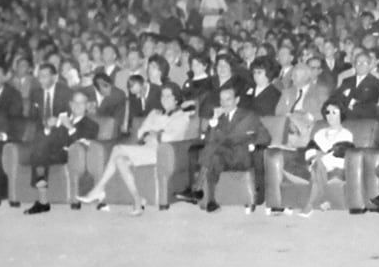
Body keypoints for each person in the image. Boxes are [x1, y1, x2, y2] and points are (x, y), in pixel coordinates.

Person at [79, 83, 195, 213]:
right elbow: (141, 132)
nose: (164, 99)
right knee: (120, 160)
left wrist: (155, 134)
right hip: (146, 148)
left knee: (117, 149)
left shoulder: (181, 116)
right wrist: (152, 133)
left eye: (169, 96)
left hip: (162, 152)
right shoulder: (154, 113)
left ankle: (98, 189)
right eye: (163, 96)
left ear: (176, 99)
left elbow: (173, 137)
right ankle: (137, 200)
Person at [24, 86, 99, 214]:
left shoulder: (91, 124)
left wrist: (69, 127)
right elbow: (51, 139)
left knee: (39, 155)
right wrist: (48, 127)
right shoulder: (63, 120)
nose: (77, 105)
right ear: (70, 104)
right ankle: (42, 200)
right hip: (54, 153)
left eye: (81, 103)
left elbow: (82, 143)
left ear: (87, 106)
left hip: (72, 156)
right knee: (39, 150)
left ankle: (42, 202)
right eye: (75, 102)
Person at [197, 83, 271, 212]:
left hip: (241, 157)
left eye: (228, 99)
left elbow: (266, 137)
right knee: (213, 157)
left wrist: (251, 142)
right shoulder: (219, 118)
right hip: (224, 156)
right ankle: (211, 201)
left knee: (213, 148)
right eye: (221, 100)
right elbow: (208, 140)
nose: (224, 103)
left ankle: (196, 187)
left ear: (237, 100)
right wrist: (214, 120)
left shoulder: (248, 115)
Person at [295, 101, 356, 215]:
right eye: (328, 112)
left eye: (334, 112)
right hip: (317, 163)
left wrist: (321, 155)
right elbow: (310, 151)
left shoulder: (346, 134)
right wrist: (318, 156)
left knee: (319, 163)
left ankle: (310, 204)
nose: (330, 116)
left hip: (336, 163)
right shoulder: (319, 133)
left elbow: (341, 153)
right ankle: (320, 201)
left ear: (341, 114)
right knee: (317, 164)